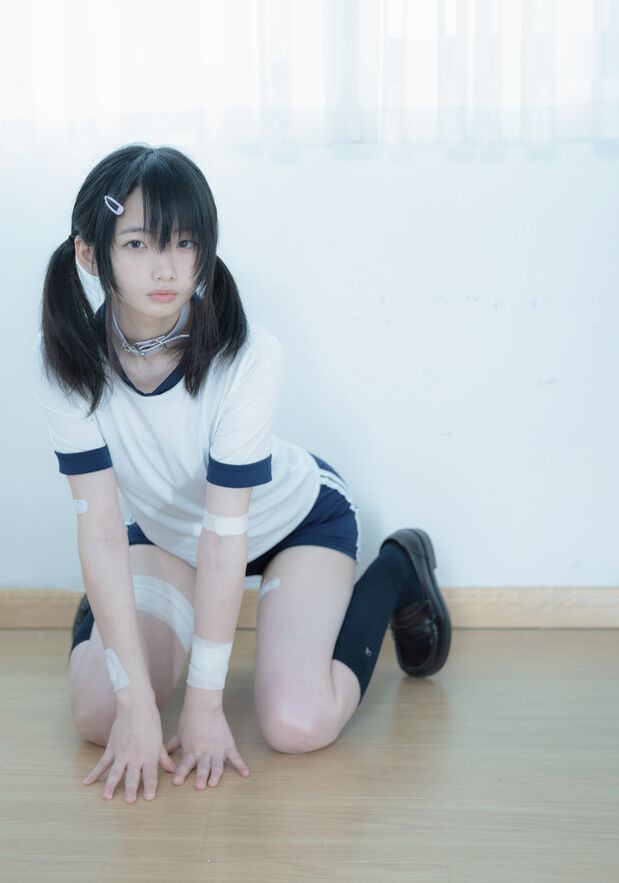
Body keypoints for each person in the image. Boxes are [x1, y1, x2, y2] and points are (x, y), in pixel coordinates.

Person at [33, 144, 450, 804]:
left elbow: (226, 536)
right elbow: (101, 529)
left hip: (293, 524)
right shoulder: (66, 360)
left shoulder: (249, 355)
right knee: (98, 714)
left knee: (297, 724)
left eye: (185, 242)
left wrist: (204, 704)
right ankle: (109, 612)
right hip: (169, 537)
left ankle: (399, 564)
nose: (167, 268)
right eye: (138, 244)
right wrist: (134, 704)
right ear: (90, 254)